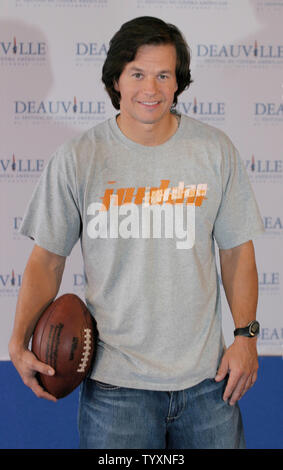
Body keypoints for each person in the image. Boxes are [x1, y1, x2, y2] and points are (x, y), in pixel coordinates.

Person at [9, 16, 264, 449]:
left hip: (208, 381)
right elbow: (47, 259)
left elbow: (237, 252)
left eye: (164, 75)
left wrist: (245, 337)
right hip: (115, 389)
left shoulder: (214, 151)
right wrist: (18, 341)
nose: (151, 89)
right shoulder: (78, 158)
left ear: (178, 82)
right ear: (116, 81)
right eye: (138, 74)